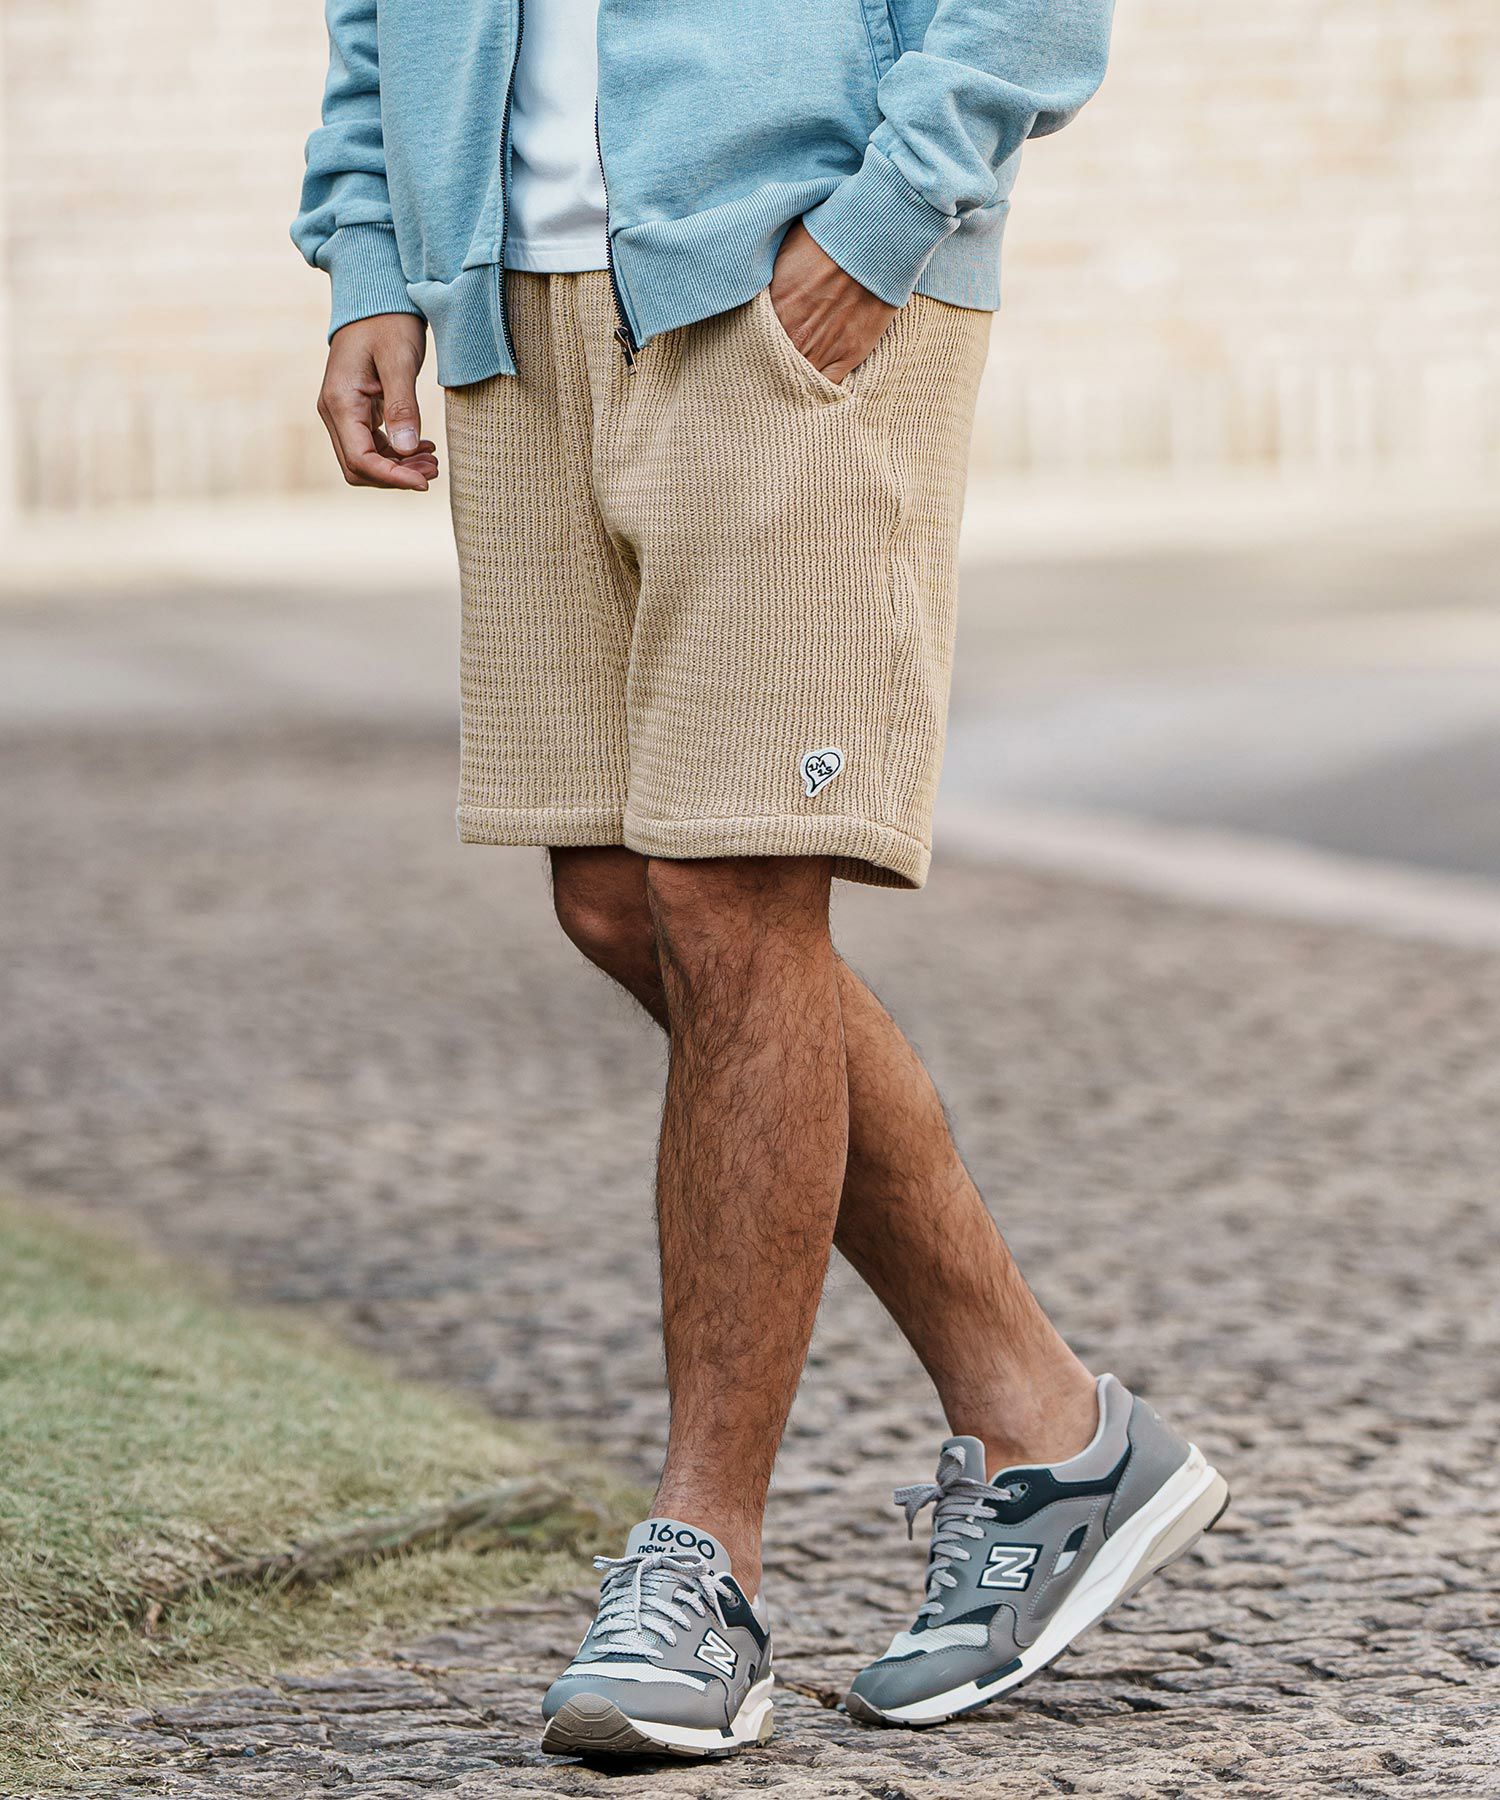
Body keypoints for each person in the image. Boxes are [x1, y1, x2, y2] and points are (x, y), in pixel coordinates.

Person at [293, 0, 1227, 1760]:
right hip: (510, 296)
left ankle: (702, 1567)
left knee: (731, 898)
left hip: (785, 264)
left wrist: (888, 217)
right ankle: (1050, 1428)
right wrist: (370, 251)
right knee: (615, 898)